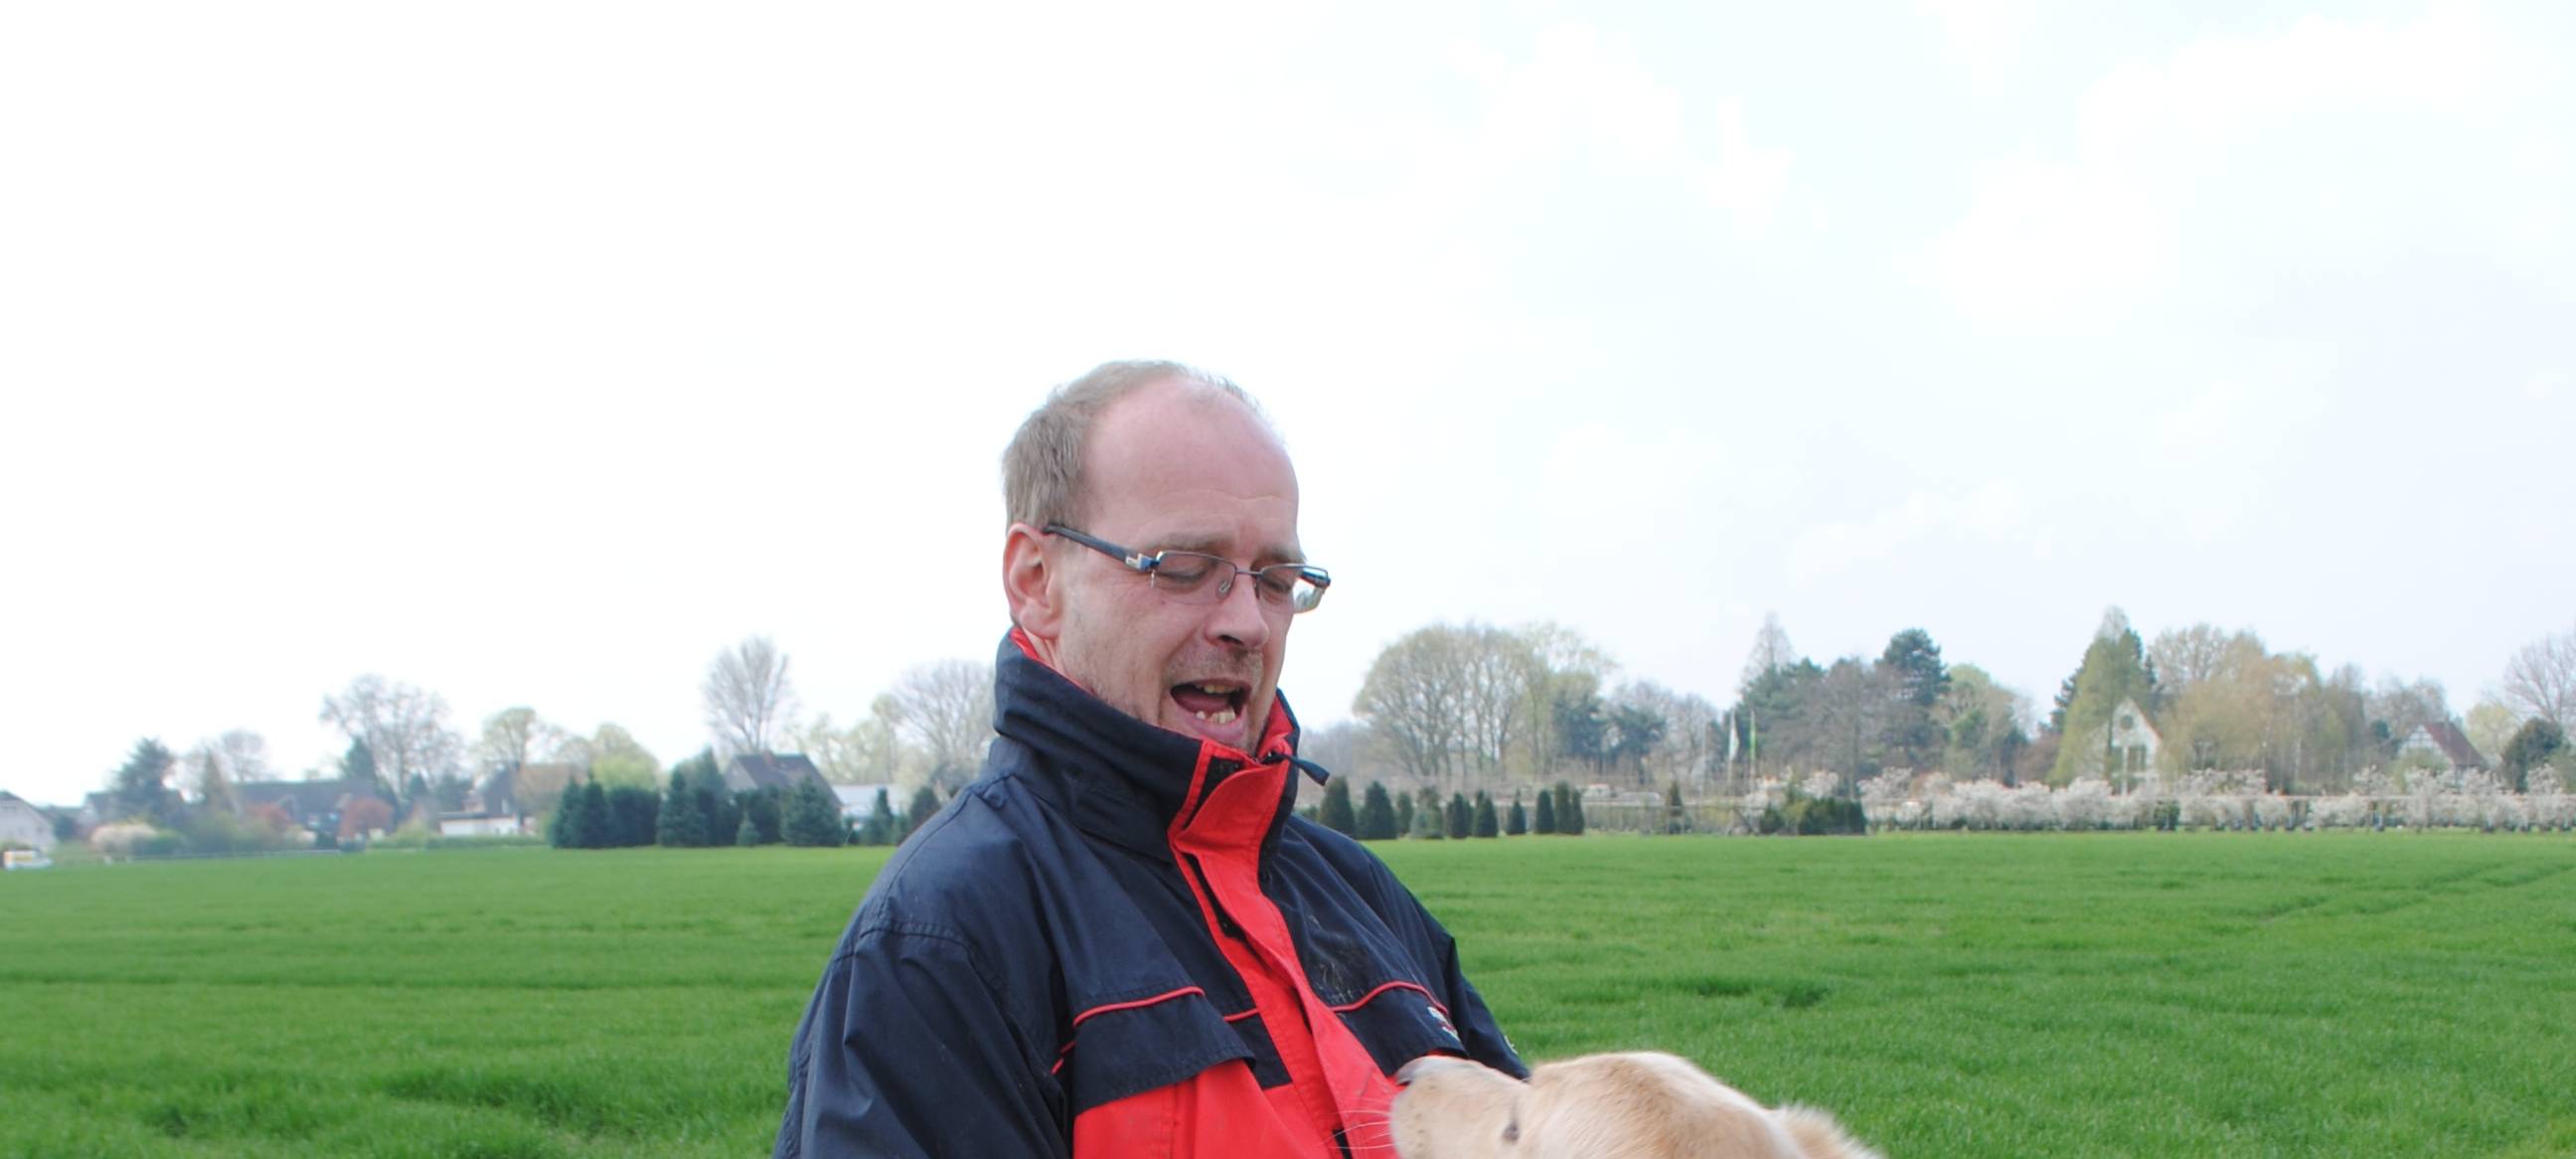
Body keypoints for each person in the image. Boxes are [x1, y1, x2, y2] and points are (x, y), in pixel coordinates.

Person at [774, 360, 1524, 1157]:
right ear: (1035, 581)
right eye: (1183, 567)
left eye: (1276, 579)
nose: (1250, 624)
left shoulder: (1363, 897)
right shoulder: (942, 945)